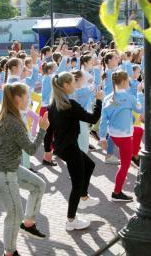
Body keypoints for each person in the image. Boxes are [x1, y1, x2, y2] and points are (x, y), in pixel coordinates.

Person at [0, 82, 49, 256]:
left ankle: (28, 225)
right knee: (14, 214)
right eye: (27, 96)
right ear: (17, 99)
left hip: (9, 168)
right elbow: (30, 149)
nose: (29, 100)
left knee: (38, 185)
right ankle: (9, 253)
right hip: (2, 173)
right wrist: (42, 130)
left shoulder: (3, 114)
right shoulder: (14, 122)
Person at [46, 72, 103, 231]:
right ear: (65, 86)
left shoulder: (53, 105)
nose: (75, 87)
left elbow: (50, 131)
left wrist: (47, 150)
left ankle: (84, 197)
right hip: (69, 148)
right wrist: (99, 100)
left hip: (64, 147)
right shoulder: (70, 105)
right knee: (76, 185)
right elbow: (92, 119)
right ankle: (71, 220)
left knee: (90, 165)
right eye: (72, 83)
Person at [99, 70, 144, 201]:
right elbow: (140, 109)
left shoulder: (108, 98)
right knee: (125, 166)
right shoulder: (129, 97)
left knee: (139, 131)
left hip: (114, 135)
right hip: (124, 137)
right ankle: (116, 193)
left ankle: (135, 155)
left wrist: (102, 138)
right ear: (124, 82)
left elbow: (103, 120)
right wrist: (140, 93)